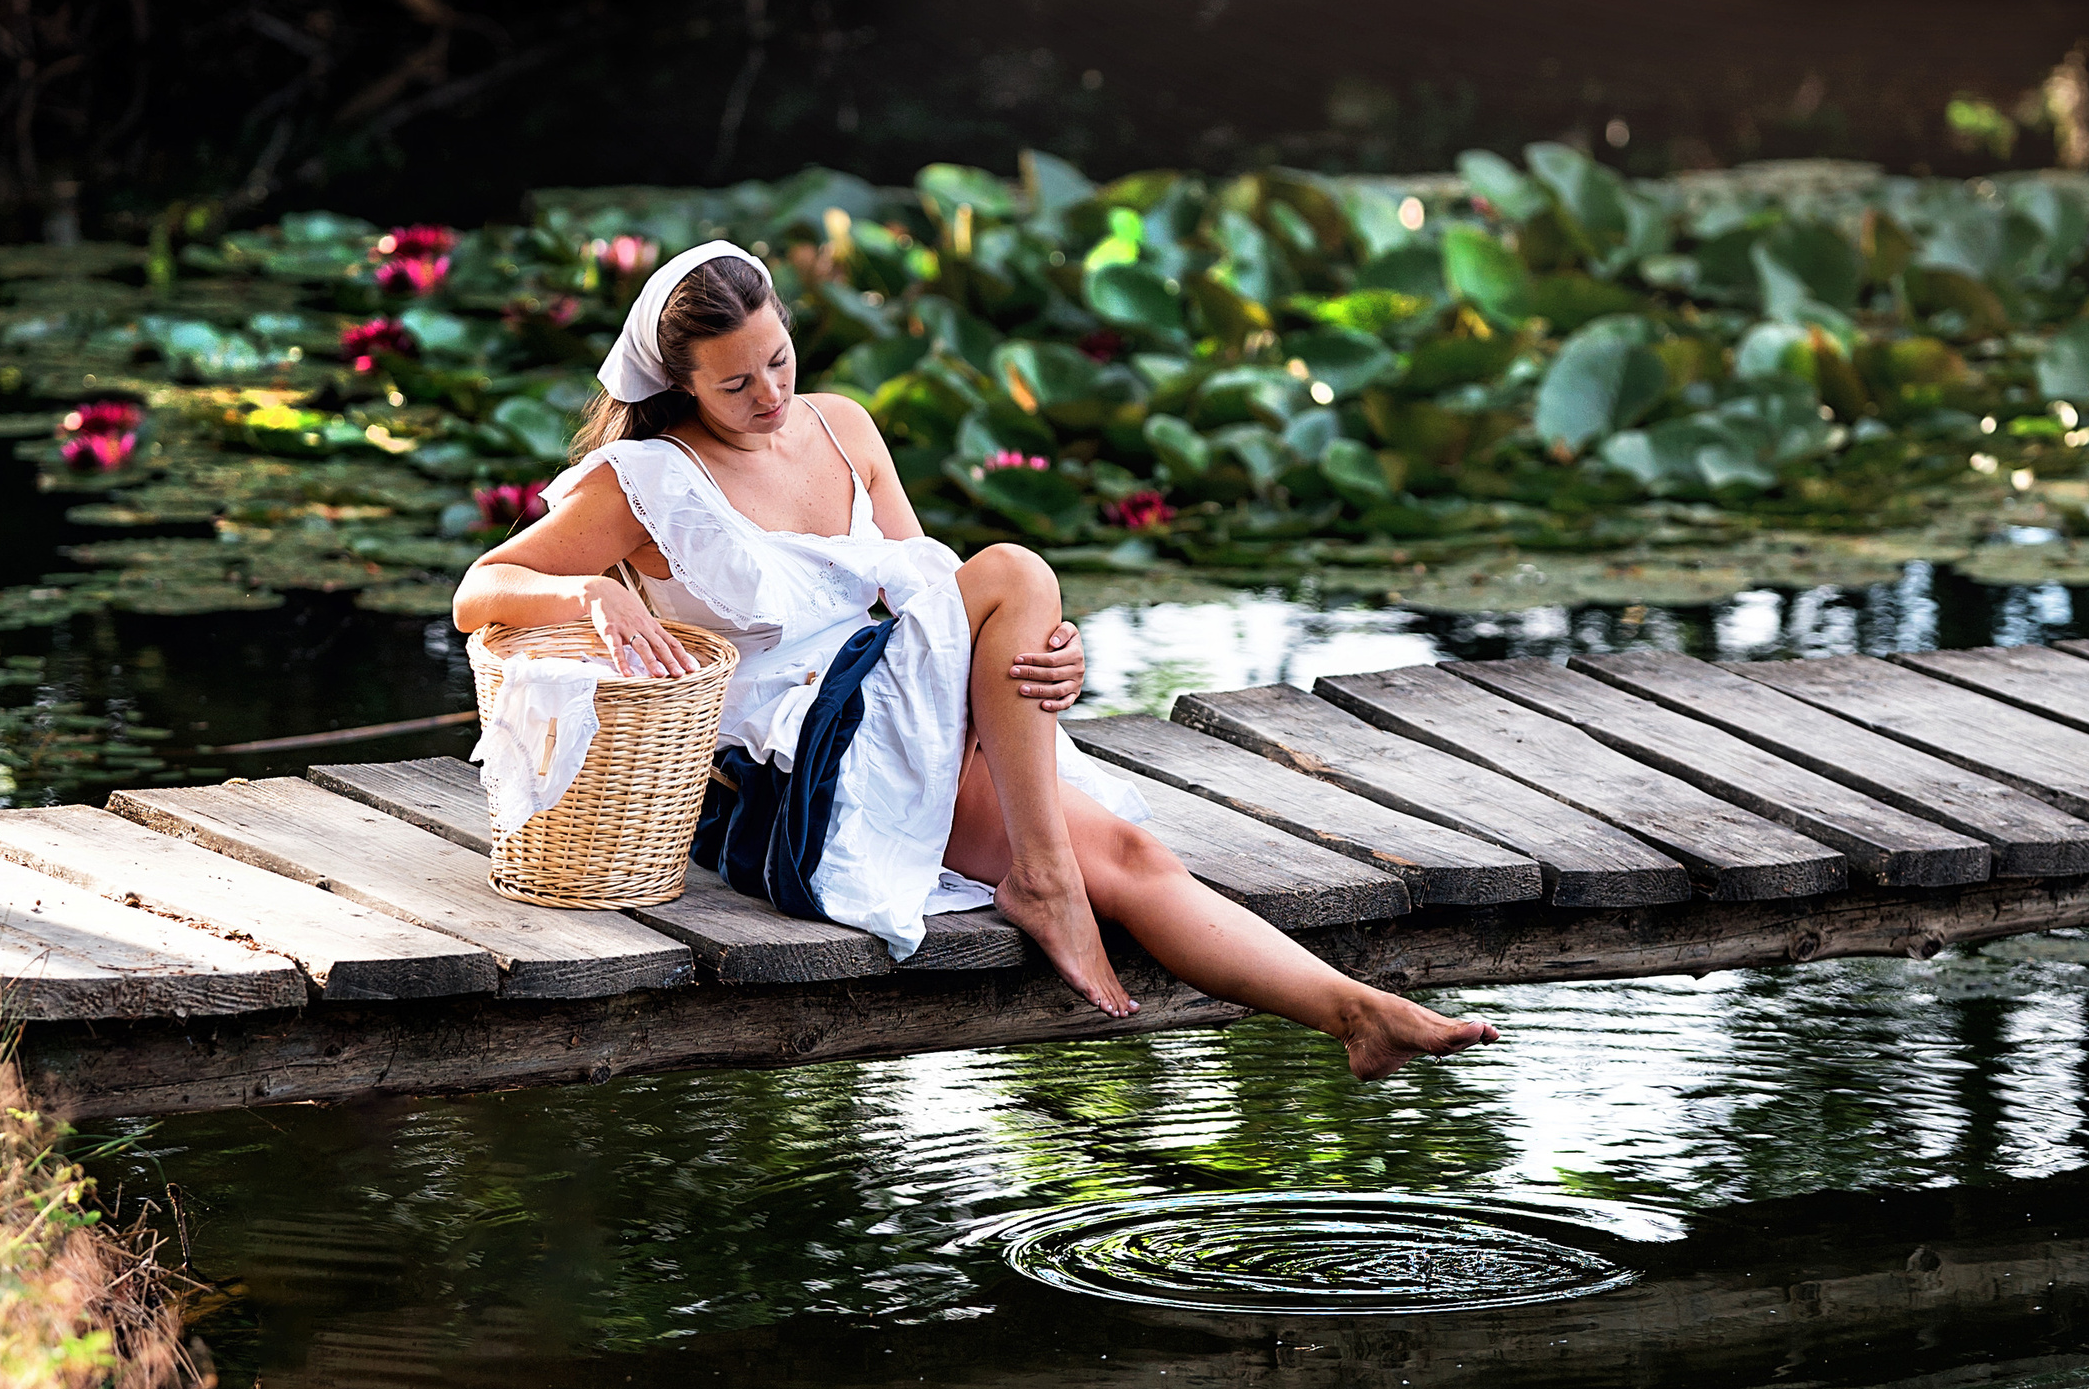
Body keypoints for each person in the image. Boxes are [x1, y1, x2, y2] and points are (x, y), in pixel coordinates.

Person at [451, 239, 1500, 1080]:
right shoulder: (645, 479)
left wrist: (1039, 657)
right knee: (1016, 572)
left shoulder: (841, 426)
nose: (770, 395)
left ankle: (1353, 1014)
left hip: (902, 703)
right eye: (735, 385)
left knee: (1133, 860)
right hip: (805, 760)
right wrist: (583, 589)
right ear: (679, 385)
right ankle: (1047, 881)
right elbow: (477, 594)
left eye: (779, 360)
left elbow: (919, 588)